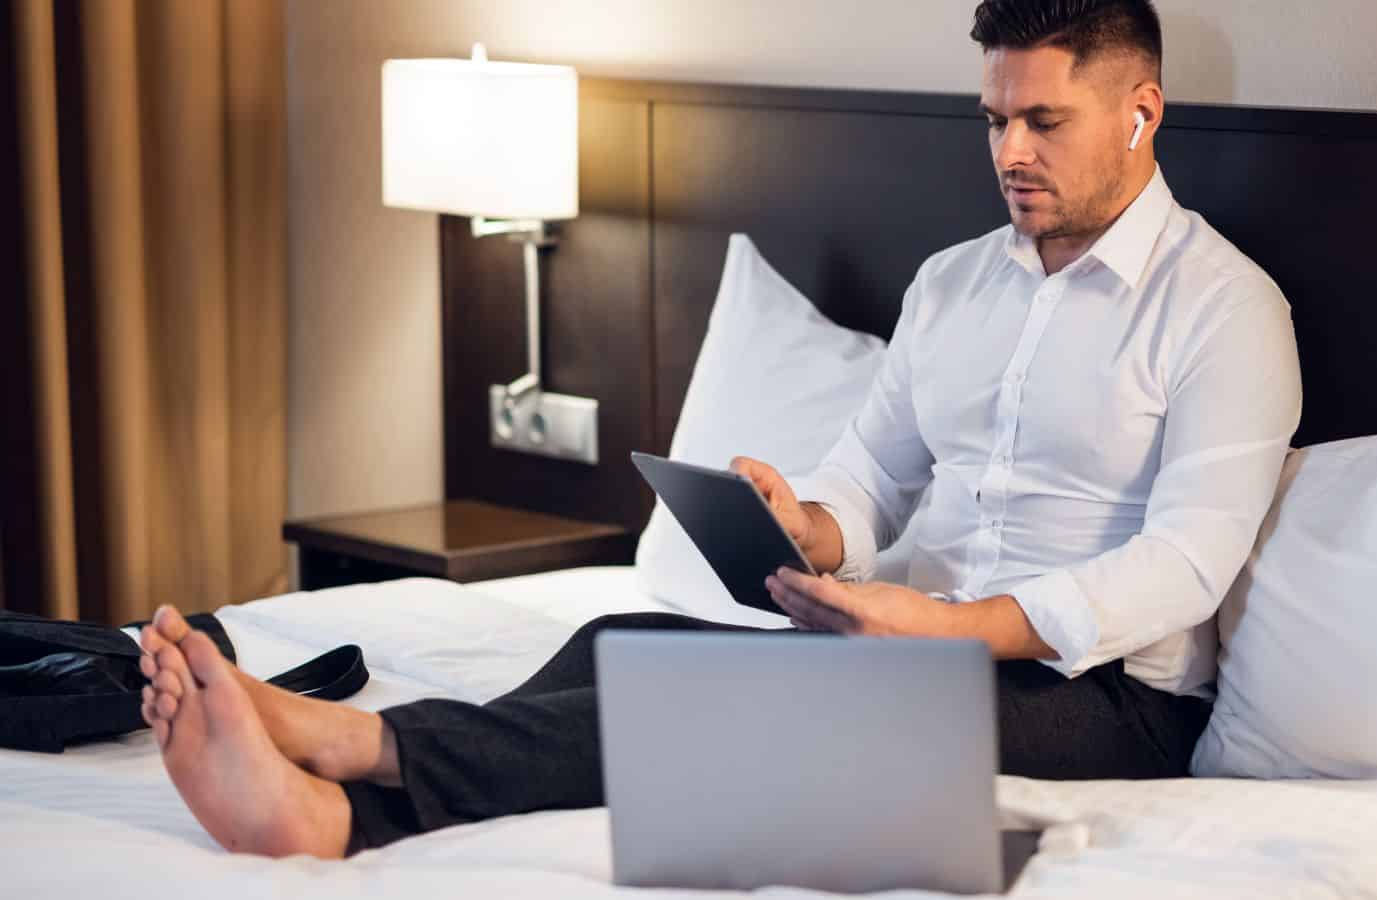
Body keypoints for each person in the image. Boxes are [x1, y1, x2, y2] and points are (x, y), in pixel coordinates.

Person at [137, 0, 1302, 859]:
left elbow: (1184, 568)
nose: (1009, 153)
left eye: (1044, 122)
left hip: (1111, 701)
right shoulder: (954, 284)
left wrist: (951, 630)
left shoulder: (1224, 307)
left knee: (743, 696)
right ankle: (370, 770)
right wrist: (811, 527)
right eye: (993, 119)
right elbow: (874, 475)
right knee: (623, 637)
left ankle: (350, 773)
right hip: (910, 648)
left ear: (1141, 111)